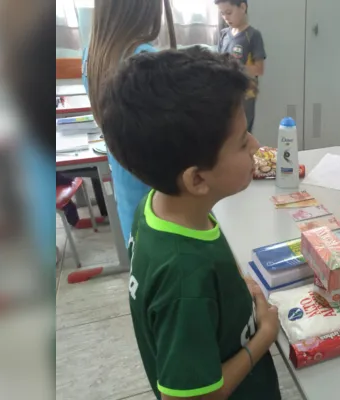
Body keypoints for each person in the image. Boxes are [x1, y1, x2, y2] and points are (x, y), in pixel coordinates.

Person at [98, 47, 281, 399]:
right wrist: (264, 337)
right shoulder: (184, 278)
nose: (256, 145)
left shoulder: (156, 207)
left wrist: (232, 291)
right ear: (197, 180)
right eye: (243, 143)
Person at [82, 0, 175, 244]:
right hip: (159, 191)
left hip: (126, 182)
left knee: (142, 265)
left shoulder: (93, 54)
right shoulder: (145, 59)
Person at [216, 0, 266, 133]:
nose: (226, 17)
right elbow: (218, 61)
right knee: (227, 131)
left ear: (243, 7)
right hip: (226, 91)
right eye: (222, 14)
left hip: (246, 94)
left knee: (243, 132)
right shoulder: (224, 34)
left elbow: (259, 69)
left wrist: (234, 67)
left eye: (229, 12)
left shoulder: (253, 35)